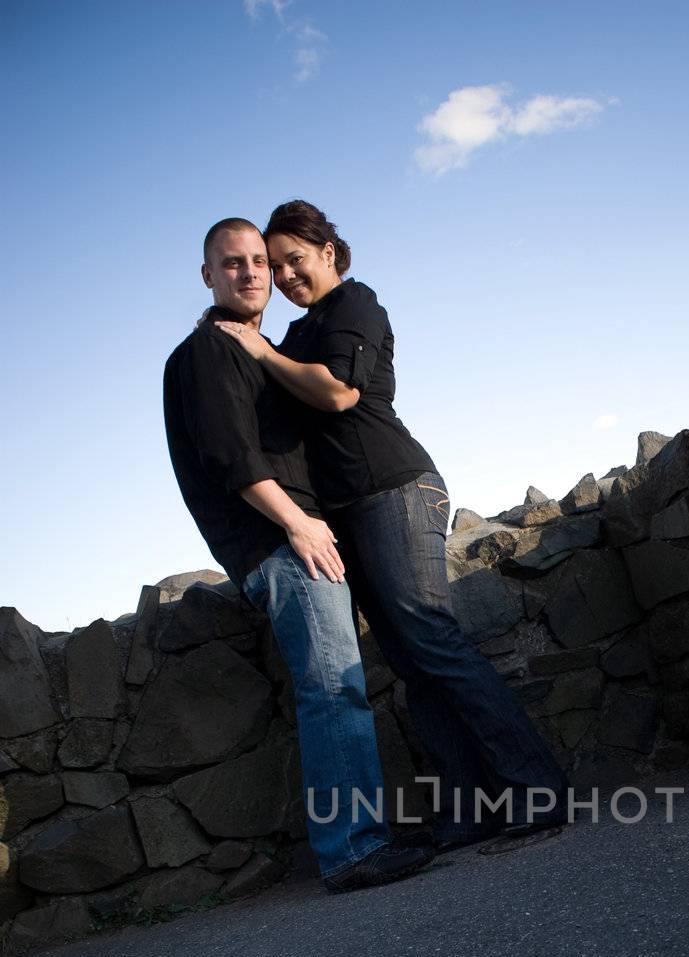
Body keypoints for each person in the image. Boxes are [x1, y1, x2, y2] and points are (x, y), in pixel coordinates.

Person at [212, 198, 568, 852]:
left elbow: (339, 393)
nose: (286, 275)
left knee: (432, 641)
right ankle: (470, 810)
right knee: (410, 662)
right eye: (276, 265)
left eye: (296, 260)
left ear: (329, 253)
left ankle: (536, 789)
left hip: (396, 491)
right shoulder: (296, 334)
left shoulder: (355, 305)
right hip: (348, 513)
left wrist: (258, 349)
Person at [162, 217, 434, 893]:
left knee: (338, 686)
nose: (253, 273)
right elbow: (231, 458)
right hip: (279, 543)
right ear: (207, 275)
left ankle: (358, 839)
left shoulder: (252, 346)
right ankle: (351, 849)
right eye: (233, 263)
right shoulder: (209, 351)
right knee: (333, 689)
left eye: (259, 261)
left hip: (291, 537)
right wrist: (299, 525)